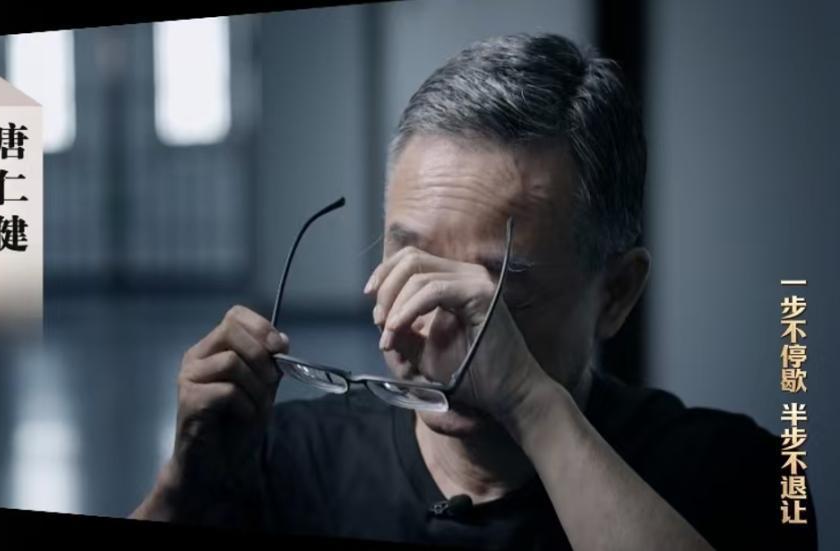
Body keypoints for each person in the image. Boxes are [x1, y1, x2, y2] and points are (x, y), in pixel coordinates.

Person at [132, 33, 817, 550]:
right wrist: (183, 487)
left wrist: (528, 402)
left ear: (615, 294)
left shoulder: (742, 475)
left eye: (498, 289)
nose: (431, 325)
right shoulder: (290, 457)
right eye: (410, 264)